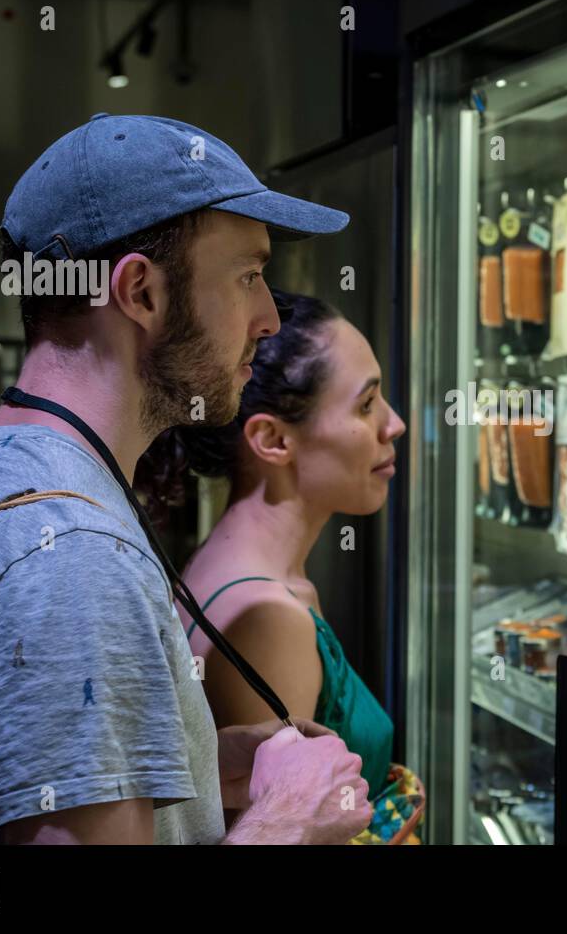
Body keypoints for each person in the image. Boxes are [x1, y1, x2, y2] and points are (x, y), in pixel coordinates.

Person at [0, 113, 373, 844]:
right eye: (250, 276)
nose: (265, 318)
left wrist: (197, 757)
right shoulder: (71, 558)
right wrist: (287, 823)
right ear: (141, 293)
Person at [149, 290, 404, 800]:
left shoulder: (228, 562)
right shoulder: (269, 619)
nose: (393, 424)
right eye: (367, 404)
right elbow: (284, 825)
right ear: (273, 440)